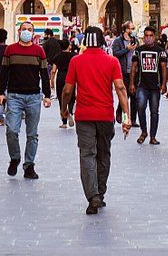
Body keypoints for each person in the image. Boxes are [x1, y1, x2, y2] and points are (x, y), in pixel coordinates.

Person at [61, 27, 131, 215]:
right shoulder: (112, 61)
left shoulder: (76, 61)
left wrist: (64, 110)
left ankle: (93, 196)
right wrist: (127, 116)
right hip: (105, 116)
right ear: (102, 41)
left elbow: (67, 90)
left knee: (87, 155)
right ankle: (100, 192)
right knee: (103, 154)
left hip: (84, 116)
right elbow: (120, 88)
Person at [0, 21, 52, 179]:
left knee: (32, 134)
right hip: (14, 96)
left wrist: (47, 96)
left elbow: (44, 75)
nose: (26, 32)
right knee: (12, 130)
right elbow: (4, 73)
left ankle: (29, 165)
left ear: (33, 34)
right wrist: (0, 93)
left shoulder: (39, 51)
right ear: (19, 31)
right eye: (24, 29)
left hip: (34, 97)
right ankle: (15, 158)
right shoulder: (10, 50)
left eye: (29, 30)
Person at [131, 26, 166, 144]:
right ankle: (144, 131)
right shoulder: (138, 50)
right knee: (140, 107)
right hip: (142, 85)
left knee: (154, 111)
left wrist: (164, 84)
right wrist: (131, 83)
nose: (148, 38)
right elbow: (134, 67)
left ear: (154, 37)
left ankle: (153, 136)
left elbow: (164, 68)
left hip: (155, 86)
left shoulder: (160, 51)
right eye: (146, 36)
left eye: (151, 36)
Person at [54, 35, 77, 127]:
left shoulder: (57, 56)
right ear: (69, 46)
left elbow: (53, 70)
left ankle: (64, 121)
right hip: (71, 77)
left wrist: (51, 81)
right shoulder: (74, 56)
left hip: (60, 77)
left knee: (61, 97)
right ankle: (70, 111)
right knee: (71, 97)